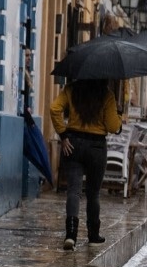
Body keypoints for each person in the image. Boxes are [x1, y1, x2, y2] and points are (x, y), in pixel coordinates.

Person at [50, 79, 123, 250]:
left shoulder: (71, 89)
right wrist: (118, 114)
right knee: (93, 193)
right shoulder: (107, 95)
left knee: (73, 191)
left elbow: (54, 109)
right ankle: (93, 235)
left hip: (73, 143)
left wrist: (63, 135)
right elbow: (113, 127)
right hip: (96, 147)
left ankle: (71, 235)